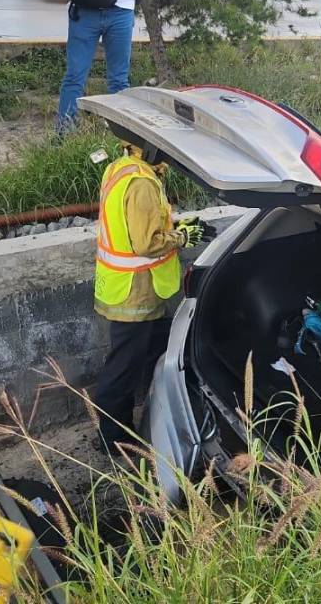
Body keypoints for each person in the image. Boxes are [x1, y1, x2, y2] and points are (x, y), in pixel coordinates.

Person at [93, 142, 207, 453]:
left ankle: (158, 411)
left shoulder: (121, 167)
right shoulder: (142, 183)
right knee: (123, 368)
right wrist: (182, 237)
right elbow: (145, 243)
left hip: (128, 288)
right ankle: (113, 440)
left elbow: (133, 228)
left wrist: (176, 227)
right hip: (135, 293)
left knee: (165, 344)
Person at [54, 0, 159, 132]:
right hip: (84, 11)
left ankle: (120, 135)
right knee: (74, 76)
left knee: (119, 79)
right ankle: (64, 134)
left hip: (121, 12)